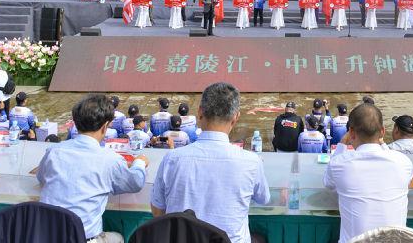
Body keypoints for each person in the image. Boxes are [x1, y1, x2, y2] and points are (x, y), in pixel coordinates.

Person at [151, 82, 270, 243]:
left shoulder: (172, 159)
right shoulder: (251, 162)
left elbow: (158, 209)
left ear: (200, 112)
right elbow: (264, 199)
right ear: (235, 117)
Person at [38, 94, 148, 243]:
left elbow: (41, 178)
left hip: (47, 235)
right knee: (119, 238)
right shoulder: (110, 159)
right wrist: (140, 163)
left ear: (76, 123)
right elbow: (135, 183)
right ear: (105, 127)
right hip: (84, 238)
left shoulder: (54, 151)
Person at [324, 103, 413, 243]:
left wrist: (341, 145)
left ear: (351, 133)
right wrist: (383, 145)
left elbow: (328, 184)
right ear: (383, 132)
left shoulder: (339, 164)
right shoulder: (404, 163)